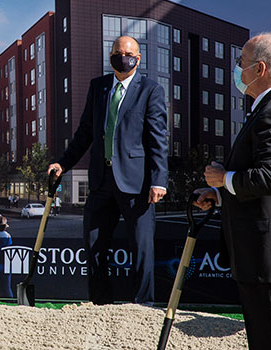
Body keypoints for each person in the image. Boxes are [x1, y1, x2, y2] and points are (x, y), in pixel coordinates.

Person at [194, 33, 271, 349]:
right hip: (266, 258)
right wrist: (221, 194)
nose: (237, 70)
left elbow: (270, 177)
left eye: (241, 63)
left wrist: (225, 179)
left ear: (259, 69)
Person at [47, 35, 168, 305]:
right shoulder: (99, 87)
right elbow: (85, 133)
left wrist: (159, 180)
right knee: (94, 244)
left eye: (127, 53)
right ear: (110, 55)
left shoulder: (151, 90)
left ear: (138, 59)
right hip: (101, 181)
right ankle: (100, 303)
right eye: (116, 52)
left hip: (137, 183)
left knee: (142, 248)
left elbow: (158, 139)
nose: (121, 57)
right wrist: (63, 163)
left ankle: (143, 305)